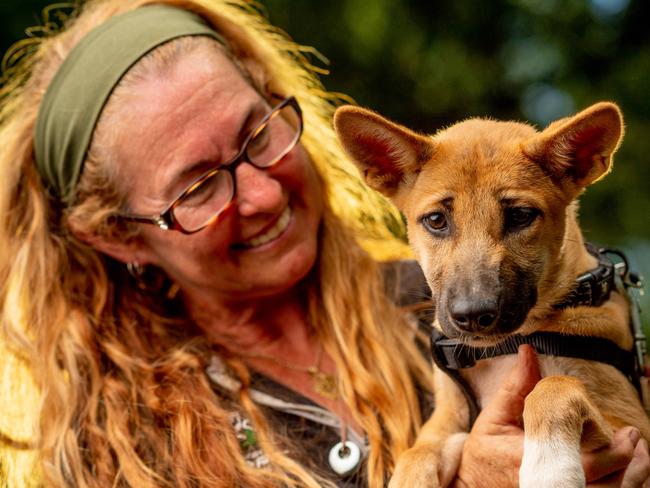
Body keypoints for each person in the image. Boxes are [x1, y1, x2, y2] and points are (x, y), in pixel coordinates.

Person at [0, 1, 648, 486]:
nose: (261, 194)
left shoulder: (435, 306)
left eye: (258, 135)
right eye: (197, 187)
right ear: (117, 236)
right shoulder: (121, 452)